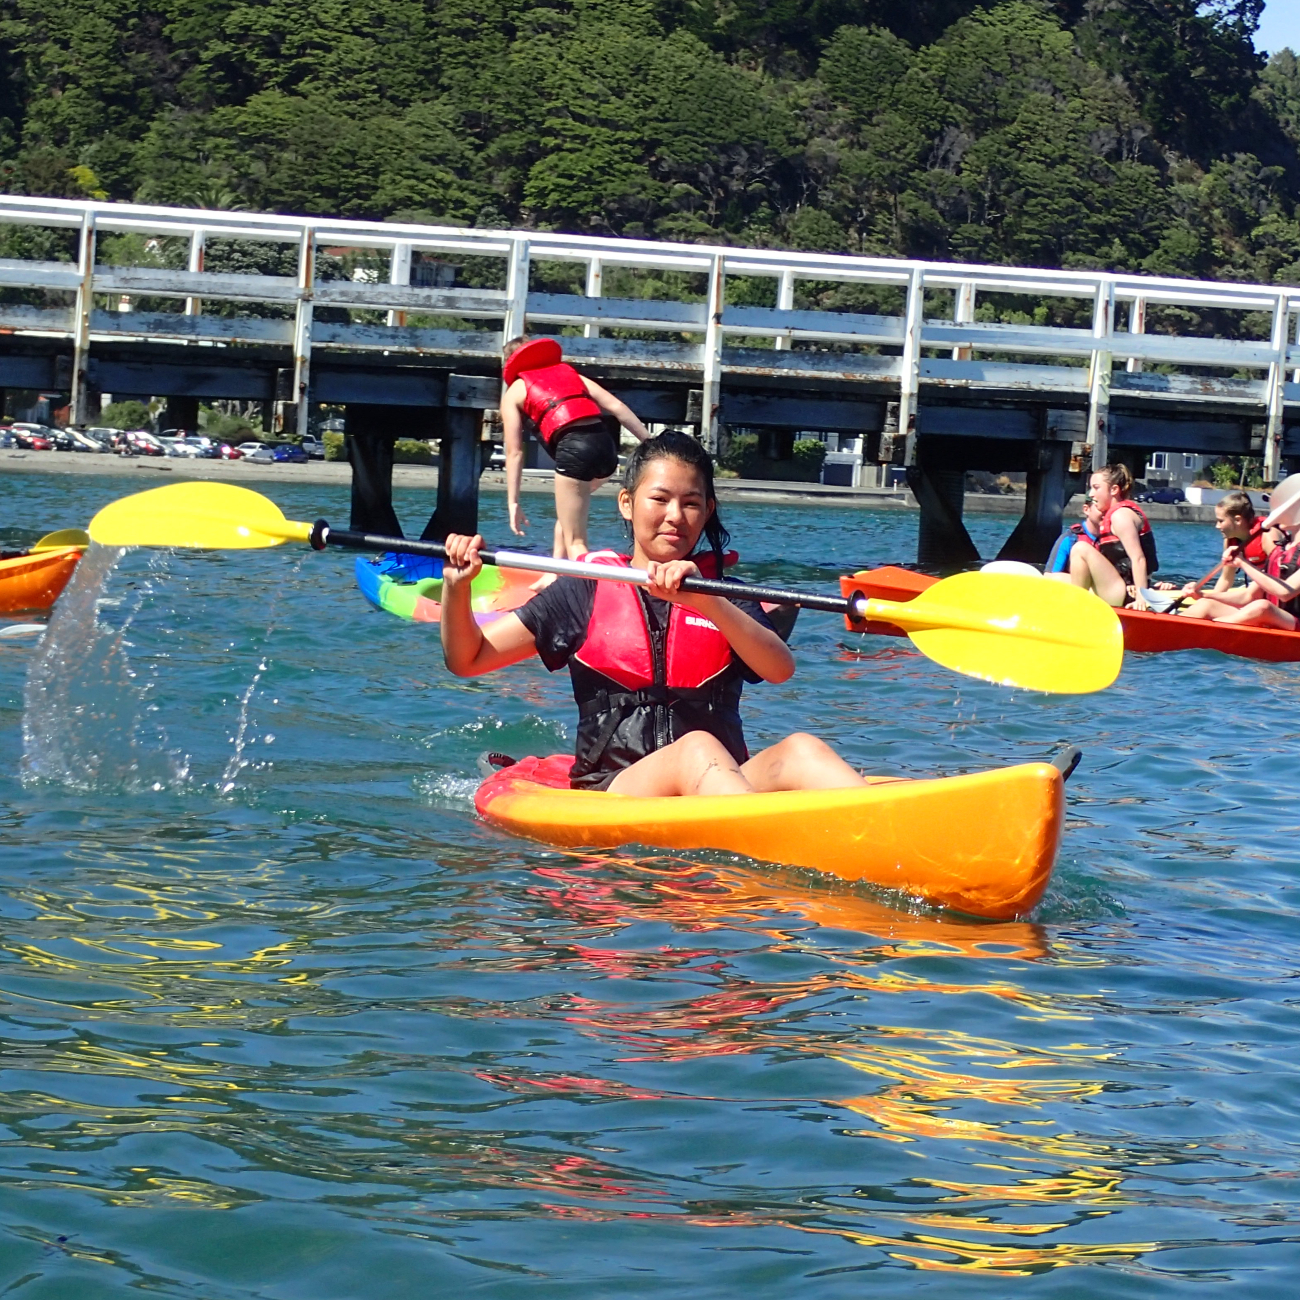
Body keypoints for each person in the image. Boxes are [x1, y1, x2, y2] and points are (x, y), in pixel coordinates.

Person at [440, 431, 868, 797]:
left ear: (708, 511)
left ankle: (883, 831)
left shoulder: (724, 596)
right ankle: (757, 834)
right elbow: (469, 659)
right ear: (627, 503)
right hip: (616, 784)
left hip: (718, 782)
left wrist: (707, 602)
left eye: (692, 503)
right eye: (659, 499)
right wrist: (456, 588)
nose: (675, 517)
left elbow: (779, 670)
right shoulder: (582, 589)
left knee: (802, 748)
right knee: (695, 748)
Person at [499, 336, 651, 561]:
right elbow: (617, 407)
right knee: (569, 511)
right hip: (606, 449)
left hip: (575, 451)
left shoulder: (515, 390)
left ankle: (586, 587)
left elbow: (515, 452)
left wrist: (513, 502)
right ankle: (554, 573)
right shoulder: (572, 374)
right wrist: (650, 442)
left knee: (576, 541)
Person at [1068, 464, 1158, 610]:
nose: (1091, 494)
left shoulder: (1120, 516)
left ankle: (1077, 607)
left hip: (1125, 592)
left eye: (1096, 488)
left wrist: (1141, 598)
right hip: (1118, 586)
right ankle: (1078, 602)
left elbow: (1138, 558)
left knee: (1080, 549)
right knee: (1061, 576)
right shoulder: (1112, 515)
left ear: (1114, 490)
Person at [1173, 529, 1300, 628]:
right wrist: (1203, 595)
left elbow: (1286, 593)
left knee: (1262, 607)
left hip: (1294, 623)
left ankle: (1205, 629)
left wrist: (1242, 563)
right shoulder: (1281, 551)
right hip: (1274, 619)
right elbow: (1247, 597)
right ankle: (1172, 628)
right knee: (1206, 605)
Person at [1045, 495, 1104, 576]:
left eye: (1109, 509)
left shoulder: (1115, 541)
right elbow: (1049, 576)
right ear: (1086, 509)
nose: (1106, 513)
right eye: (1100, 508)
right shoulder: (1070, 539)